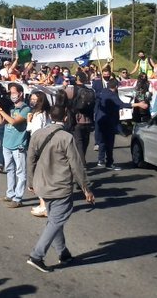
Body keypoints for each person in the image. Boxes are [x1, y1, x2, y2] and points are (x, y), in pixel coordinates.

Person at [25, 104, 95, 273]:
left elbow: (30, 159)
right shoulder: (66, 137)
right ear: (65, 118)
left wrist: (30, 181)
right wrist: (86, 188)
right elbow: (76, 165)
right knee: (57, 220)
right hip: (59, 186)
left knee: (54, 220)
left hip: (42, 184)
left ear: (50, 117)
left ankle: (63, 253)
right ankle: (37, 255)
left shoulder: (37, 134)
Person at [0, 83, 30, 207]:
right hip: (7, 143)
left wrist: (0, 109)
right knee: (9, 169)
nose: (12, 95)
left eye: (14, 93)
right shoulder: (9, 107)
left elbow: (13, 122)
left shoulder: (25, 109)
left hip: (18, 144)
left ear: (21, 93)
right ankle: (10, 193)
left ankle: (18, 198)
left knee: (21, 172)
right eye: (10, 93)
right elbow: (0, 122)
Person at [95, 79, 146, 170]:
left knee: (102, 141)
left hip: (100, 120)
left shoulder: (103, 91)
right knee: (109, 143)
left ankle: (100, 160)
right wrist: (138, 104)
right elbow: (122, 105)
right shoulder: (112, 96)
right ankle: (109, 163)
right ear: (116, 87)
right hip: (109, 121)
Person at [26, 91, 51, 217]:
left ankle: (43, 205)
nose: (33, 101)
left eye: (35, 99)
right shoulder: (46, 114)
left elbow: (34, 130)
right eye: (32, 98)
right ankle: (42, 204)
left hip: (37, 145)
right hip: (45, 145)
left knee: (37, 175)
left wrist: (28, 121)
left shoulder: (39, 114)